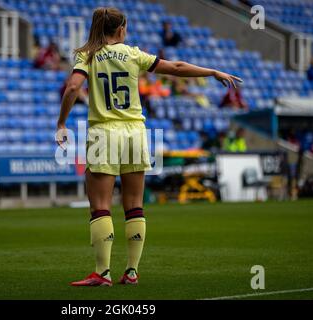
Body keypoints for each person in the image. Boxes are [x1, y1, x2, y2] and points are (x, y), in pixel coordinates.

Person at [56, 7, 242, 287]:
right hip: (135, 133)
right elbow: (176, 68)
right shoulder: (133, 54)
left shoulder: (88, 55)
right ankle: (131, 271)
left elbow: (72, 88)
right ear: (120, 30)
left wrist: (61, 123)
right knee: (134, 205)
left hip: (103, 134)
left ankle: (102, 272)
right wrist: (212, 71)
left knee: (101, 206)